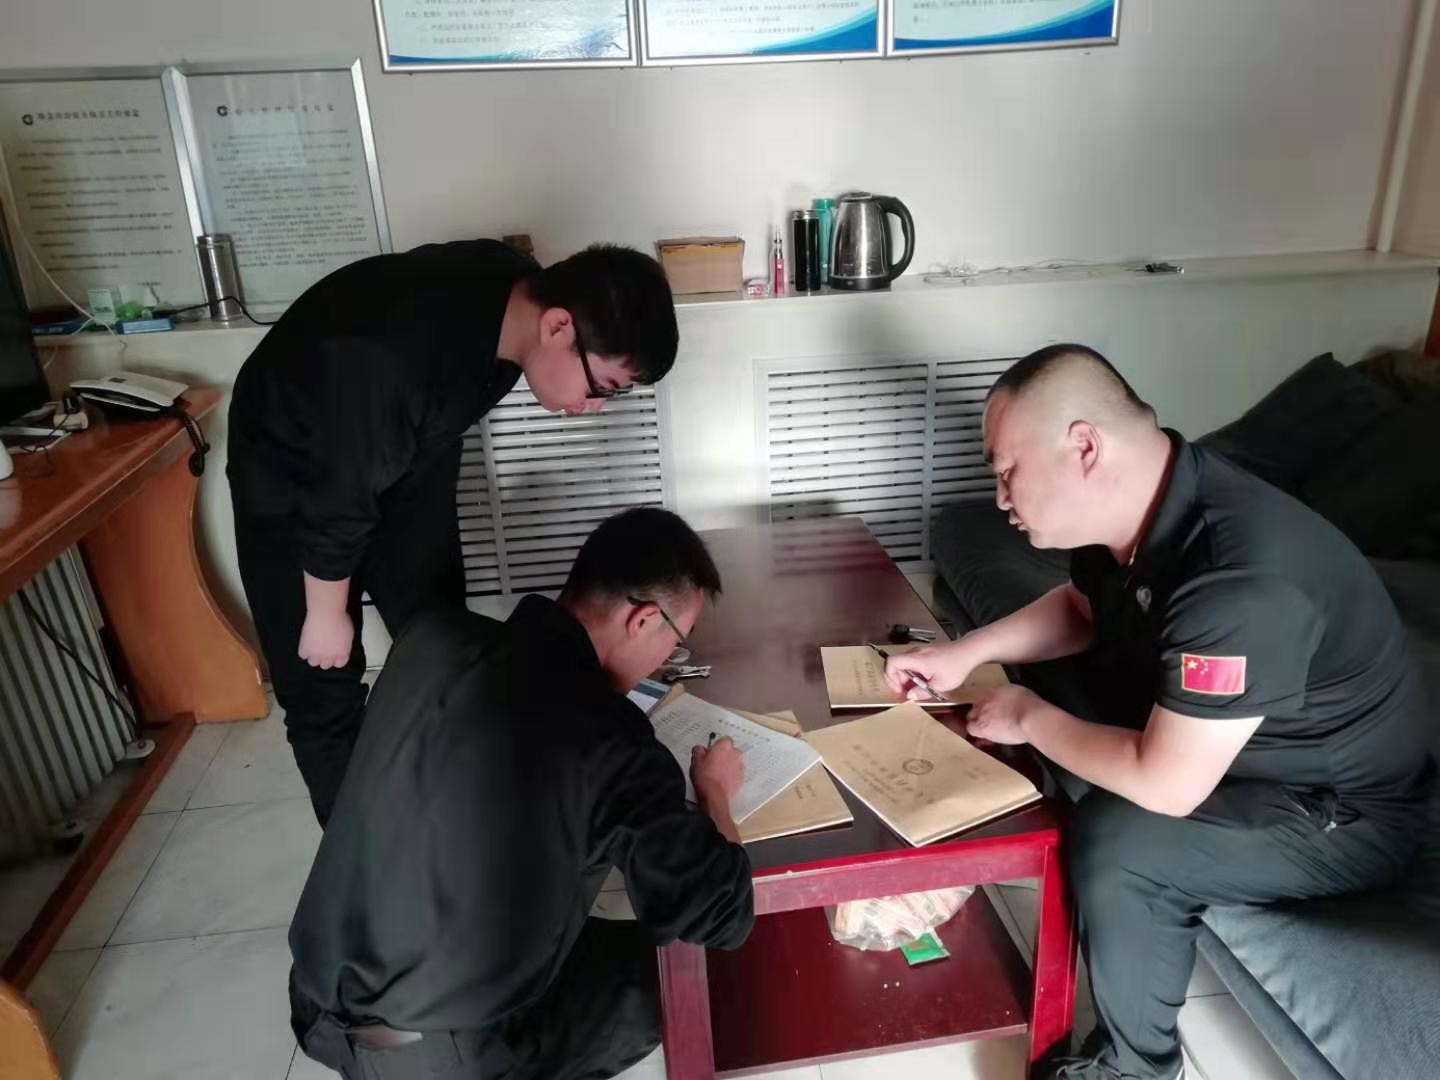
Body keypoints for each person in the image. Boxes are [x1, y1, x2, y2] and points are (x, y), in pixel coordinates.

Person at [886, 345, 1432, 1080]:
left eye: (1007, 470)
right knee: (1063, 687)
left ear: (1084, 447)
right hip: (1240, 745)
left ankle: (1137, 1068)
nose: (1001, 496)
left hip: (1343, 810)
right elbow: (1082, 608)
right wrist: (964, 653)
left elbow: (1168, 786)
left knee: (1123, 843)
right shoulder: (1148, 505)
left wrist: (1029, 717)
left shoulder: (1241, 581)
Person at [288, 506, 754, 1080]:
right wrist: (714, 792)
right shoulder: (610, 736)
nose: (667, 662)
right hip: (439, 1060)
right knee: (670, 974)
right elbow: (721, 913)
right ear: (644, 620)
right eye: (677, 643)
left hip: (315, 1002)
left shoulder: (431, 636)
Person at [227, 240, 679, 825]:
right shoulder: (392, 353)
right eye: (604, 387)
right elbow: (338, 495)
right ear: (558, 326)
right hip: (292, 469)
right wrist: (325, 611)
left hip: (406, 456)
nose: (593, 407)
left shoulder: (514, 297)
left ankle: (452, 814)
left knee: (442, 643)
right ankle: (363, 862)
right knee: (321, 682)